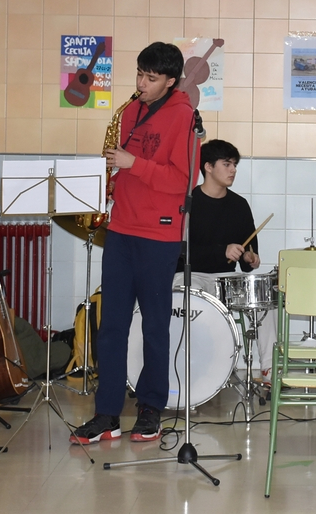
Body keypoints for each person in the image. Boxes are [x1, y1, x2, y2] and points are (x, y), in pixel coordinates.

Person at [70, 42, 197, 445]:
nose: (141, 84)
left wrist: (133, 164)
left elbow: (183, 181)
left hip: (159, 233)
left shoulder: (185, 117)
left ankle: (150, 408)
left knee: (156, 325)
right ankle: (106, 413)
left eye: (151, 78)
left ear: (171, 81)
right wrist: (112, 181)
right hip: (122, 228)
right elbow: (123, 164)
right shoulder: (129, 111)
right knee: (111, 327)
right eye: (139, 74)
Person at [179, 139, 274, 373]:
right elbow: (179, 252)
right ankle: (188, 368)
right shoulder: (187, 202)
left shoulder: (239, 205)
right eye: (227, 164)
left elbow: (249, 253)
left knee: (266, 301)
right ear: (208, 167)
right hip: (192, 276)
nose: (233, 170)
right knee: (177, 292)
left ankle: (270, 371)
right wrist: (222, 249)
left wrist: (250, 258)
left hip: (226, 279)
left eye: (235, 165)